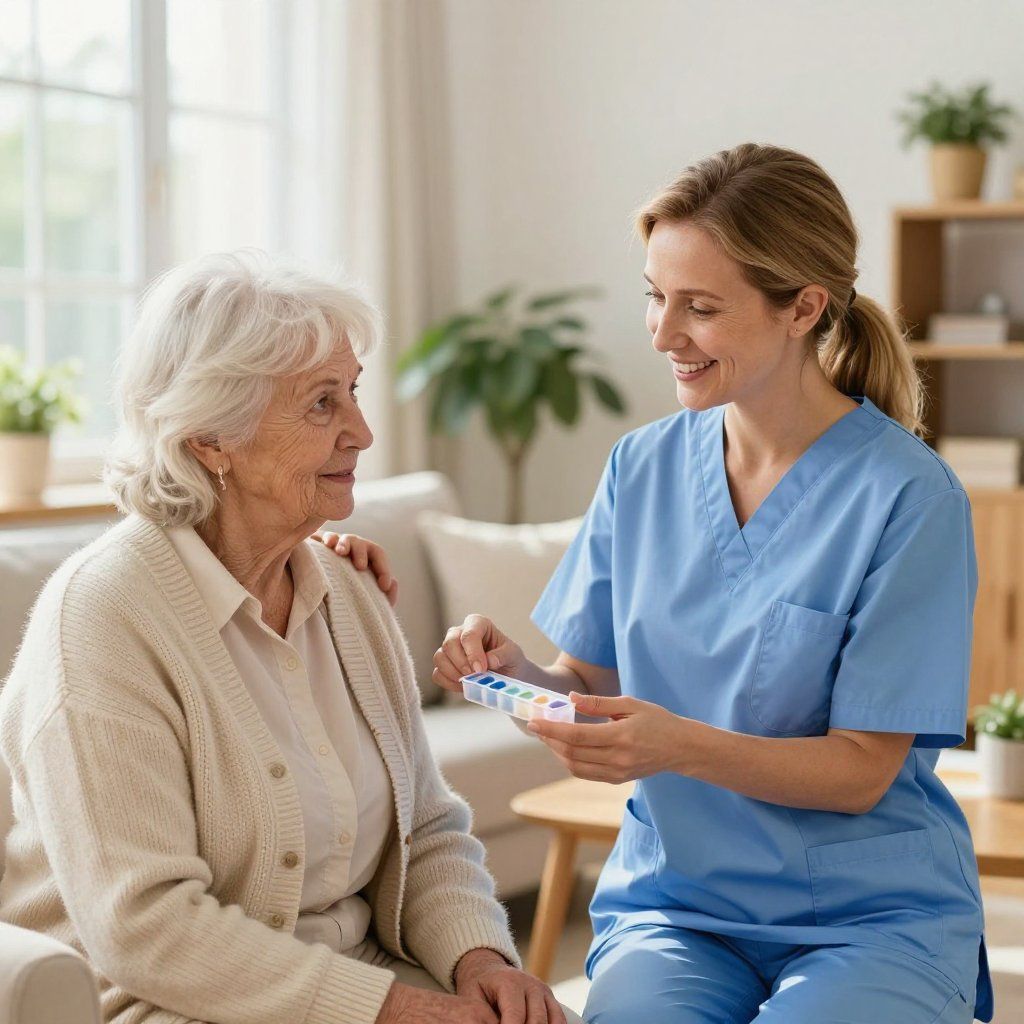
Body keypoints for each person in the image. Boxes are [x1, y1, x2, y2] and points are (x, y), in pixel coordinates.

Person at [430, 144, 993, 1023]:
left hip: (869, 917)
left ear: (803, 308)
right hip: (678, 908)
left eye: (699, 307)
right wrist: (520, 682)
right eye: (655, 296)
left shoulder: (909, 497)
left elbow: (858, 773)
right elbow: (590, 684)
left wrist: (674, 745)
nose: (661, 334)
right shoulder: (641, 467)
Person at [0, 251, 579, 1024]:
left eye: (354, 393)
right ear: (211, 438)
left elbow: (429, 830)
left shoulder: (346, 592)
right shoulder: (102, 618)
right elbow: (146, 929)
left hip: (365, 978)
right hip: (165, 1003)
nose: (364, 432)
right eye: (321, 404)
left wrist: (479, 959)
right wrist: (402, 1012)